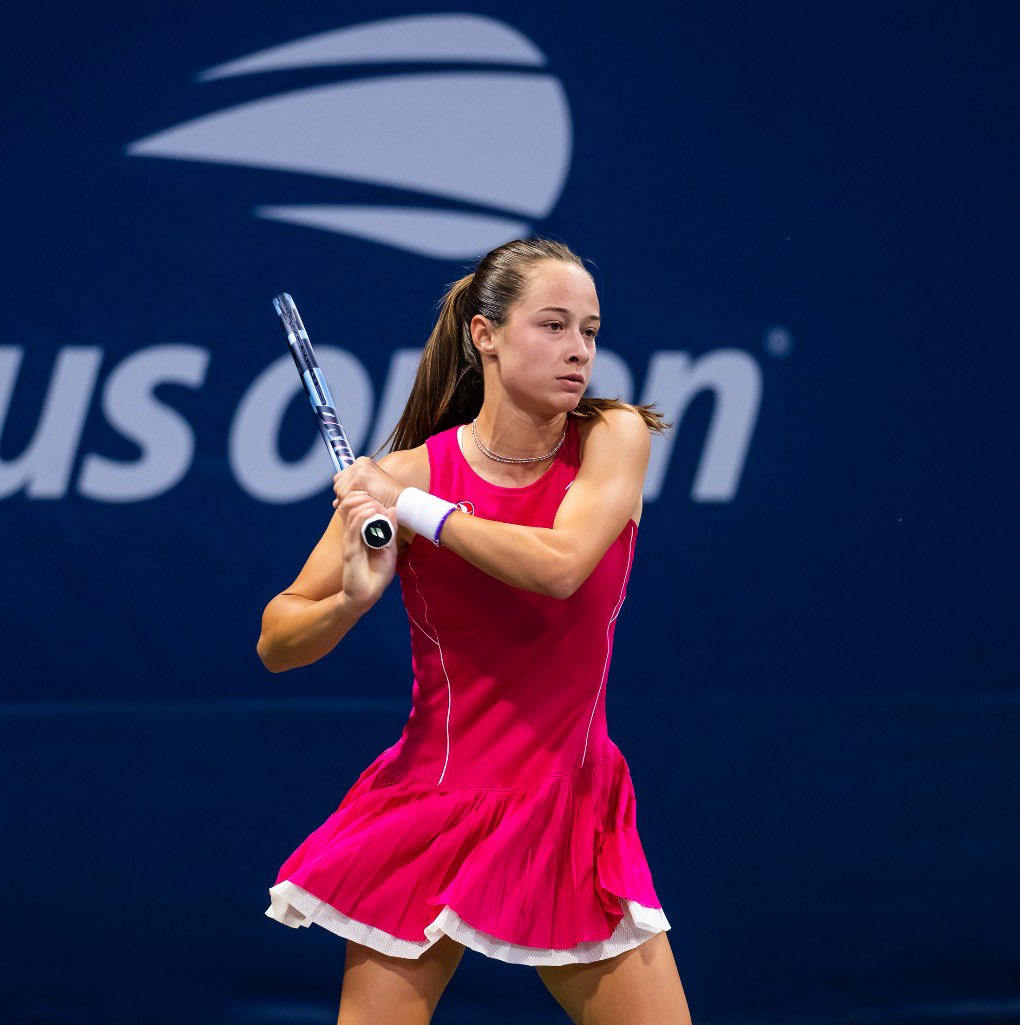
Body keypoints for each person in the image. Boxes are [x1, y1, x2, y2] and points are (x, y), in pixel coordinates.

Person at [256, 238, 693, 1025]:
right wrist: (351, 599)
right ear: (485, 335)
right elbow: (277, 641)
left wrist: (413, 509)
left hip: (571, 809)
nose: (579, 349)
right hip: (429, 803)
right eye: (553, 325)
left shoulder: (611, 435)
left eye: (590, 330)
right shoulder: (412, 473)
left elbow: (561, 565)